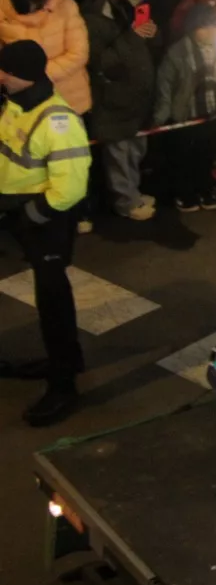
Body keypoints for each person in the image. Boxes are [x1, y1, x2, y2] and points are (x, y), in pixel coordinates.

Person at [0, 39, 92, 426]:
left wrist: (32, 215)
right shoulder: (16, 103)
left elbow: (70, 186)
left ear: (21, 76)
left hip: (44, 219)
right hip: (21, 213)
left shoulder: (58, 121)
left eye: (5, 70)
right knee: (48, 295)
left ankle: (63, 384)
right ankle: (61, 362)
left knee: (53, 299)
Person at [83, 0, 157, 221]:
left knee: (136, 149)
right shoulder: (91, 21)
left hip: (133, 97)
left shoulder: (124, 8)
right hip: (113, 98)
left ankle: (133, 193)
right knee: (119, 155)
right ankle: (125, 201)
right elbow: (104, 62)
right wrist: (132, 37)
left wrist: (146, 34)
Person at [151, 4, 216, 212]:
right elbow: (165, 83)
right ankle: (185, 193)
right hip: (187, 114)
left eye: (214, 26)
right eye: (204, 27)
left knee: (207, 154)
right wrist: (162, 115)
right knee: (185, 156)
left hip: (213, 112)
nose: (211, 31)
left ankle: (205, 188)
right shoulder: (178, 52)